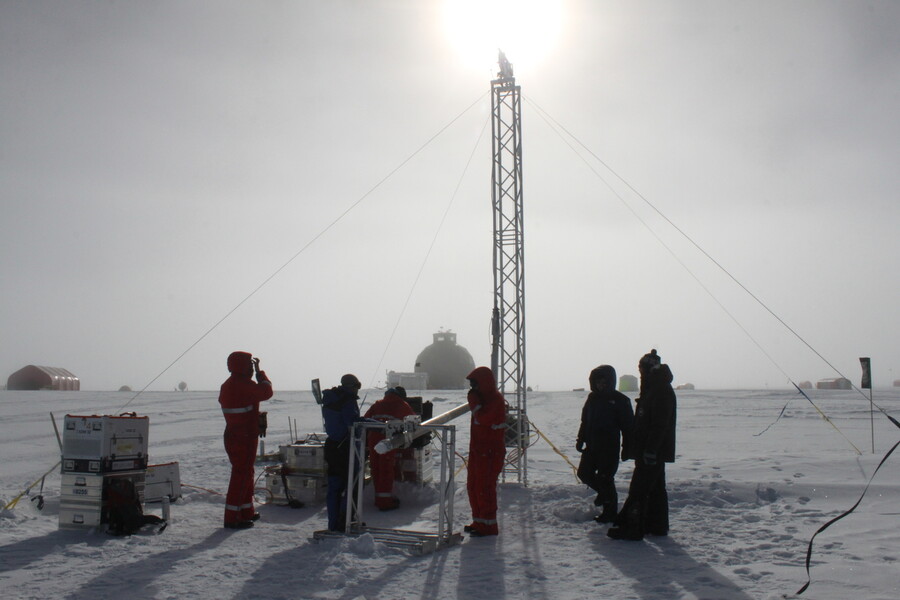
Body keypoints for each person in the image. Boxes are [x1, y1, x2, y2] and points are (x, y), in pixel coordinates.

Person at [608, 349, 677, 541]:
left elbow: (659, 424)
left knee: (640, 489)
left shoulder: (660, 390)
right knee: (655, 488)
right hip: (651, 450)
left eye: (642, 368)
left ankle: (632, 526)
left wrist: (651, 449)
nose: (640, 372)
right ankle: (656, 525)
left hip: (652, 450)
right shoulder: (653, 388)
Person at [218, 351, 273, 529]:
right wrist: (260, 373)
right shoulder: (242, 384)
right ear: (242, 366)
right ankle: (232, 518)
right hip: (244, 437)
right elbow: (266, 391)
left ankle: (246, 512)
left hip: (236, 434)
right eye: (249, 364)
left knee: (246, 473)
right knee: (240, 475)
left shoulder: (228, 385)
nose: (251, 367)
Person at [575, 364, 634, 523]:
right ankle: (603, 494)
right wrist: (580, 439)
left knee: (606, 479)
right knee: (584, 474)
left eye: (604, 382)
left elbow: (628, 428)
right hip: (592, 446)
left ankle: (610, 512)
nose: (600, 385)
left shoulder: (621, 401)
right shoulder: (592, 398)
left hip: (609, 448)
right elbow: (585, 421)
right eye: (597, 382)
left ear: (610, 382)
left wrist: (627, 448)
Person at [322, 374, 370, 532]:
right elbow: (353, 422)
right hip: (345, 447)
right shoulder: (347, 400)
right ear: (354, 385)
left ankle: (334, 524)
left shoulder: (331, 398)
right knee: (353, 484)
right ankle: (347, 521)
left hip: (332, 446)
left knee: (335, 486)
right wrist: (372, 422)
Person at [464, 366, 508, 537]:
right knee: (473, 486)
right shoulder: (481, 399)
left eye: (474, 384)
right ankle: (479, 521)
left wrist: (474, 403)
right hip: (478, 450)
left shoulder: (495, 400)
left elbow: (483, 418)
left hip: (490, 452)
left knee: (485, 487)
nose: (472, 388)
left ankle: (489, 525)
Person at [364, 386, 416, 511]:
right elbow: (413, 420)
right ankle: (385, 501)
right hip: (389, 440)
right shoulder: (402, 405)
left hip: (373, 439)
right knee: (386, 470)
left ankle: (379, 498)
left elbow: (365, 419)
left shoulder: (377, 405)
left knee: (376, 469)